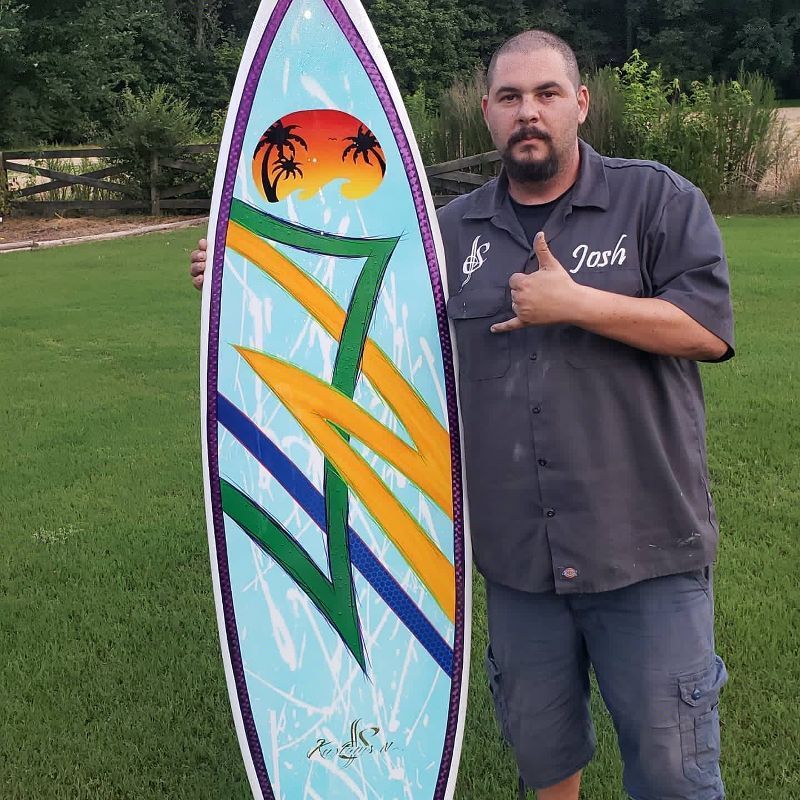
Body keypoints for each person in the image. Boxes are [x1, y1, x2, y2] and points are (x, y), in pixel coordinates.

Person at [190, 30, 734, 800]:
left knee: (673, 771)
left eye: (546, 94)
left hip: (643, 550)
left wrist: (578, 304)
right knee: (543, 755)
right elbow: (358, 308)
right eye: (510, 97)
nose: (528, 112)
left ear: (581, 103)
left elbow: (708, 330)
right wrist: (243, 269)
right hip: (519, 560)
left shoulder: (656, 199)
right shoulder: (448, 235)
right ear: (487, 113)